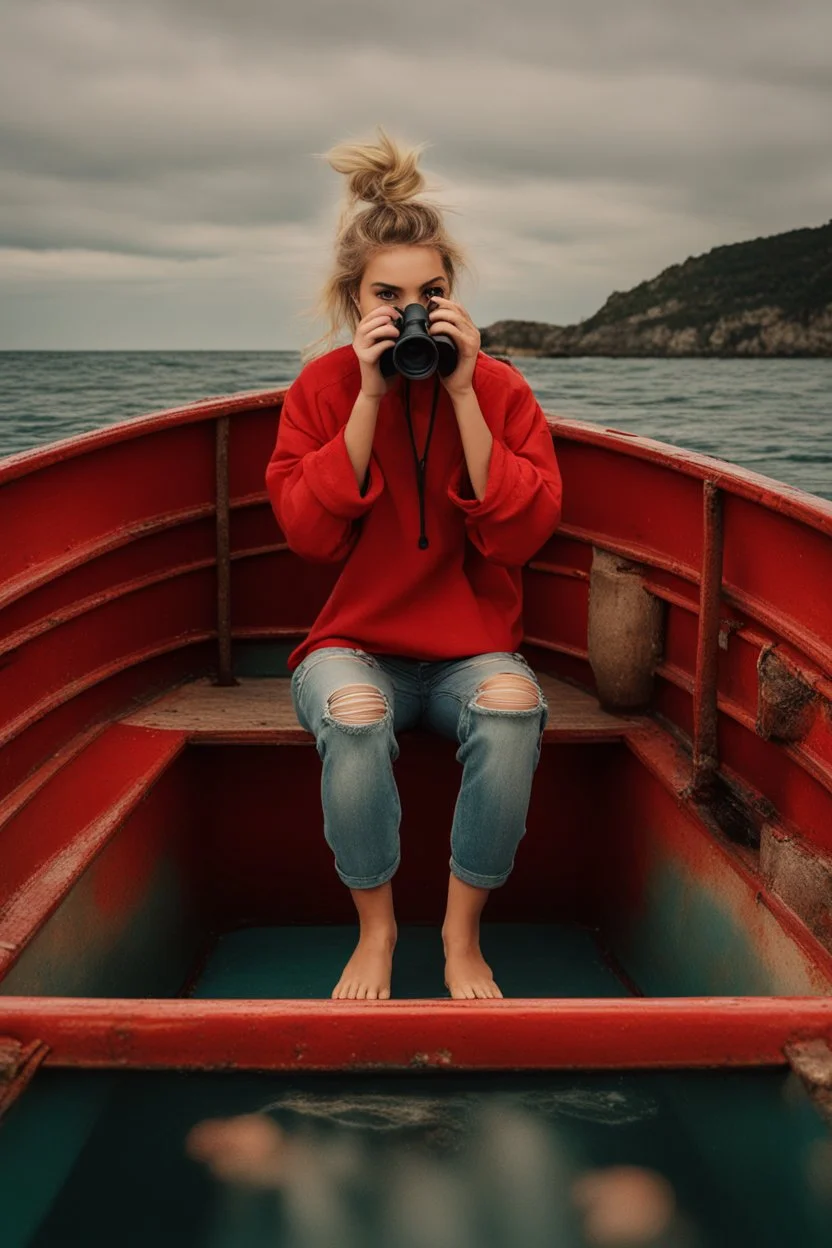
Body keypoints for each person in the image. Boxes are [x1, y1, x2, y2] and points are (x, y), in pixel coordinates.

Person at [265, 125, 562, 1002]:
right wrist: (367, 394)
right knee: (355, 718)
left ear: (454, 298)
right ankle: (378, 930)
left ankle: (462, 938)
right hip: (354, 645)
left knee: (513, 707)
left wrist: (467, 389)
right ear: (356, 302)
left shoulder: (499, 389)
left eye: (429, 294)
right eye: (388, 297)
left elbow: (519, 535)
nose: (410, 314)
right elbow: (310, 536)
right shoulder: (322, 389)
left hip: (471, 651)